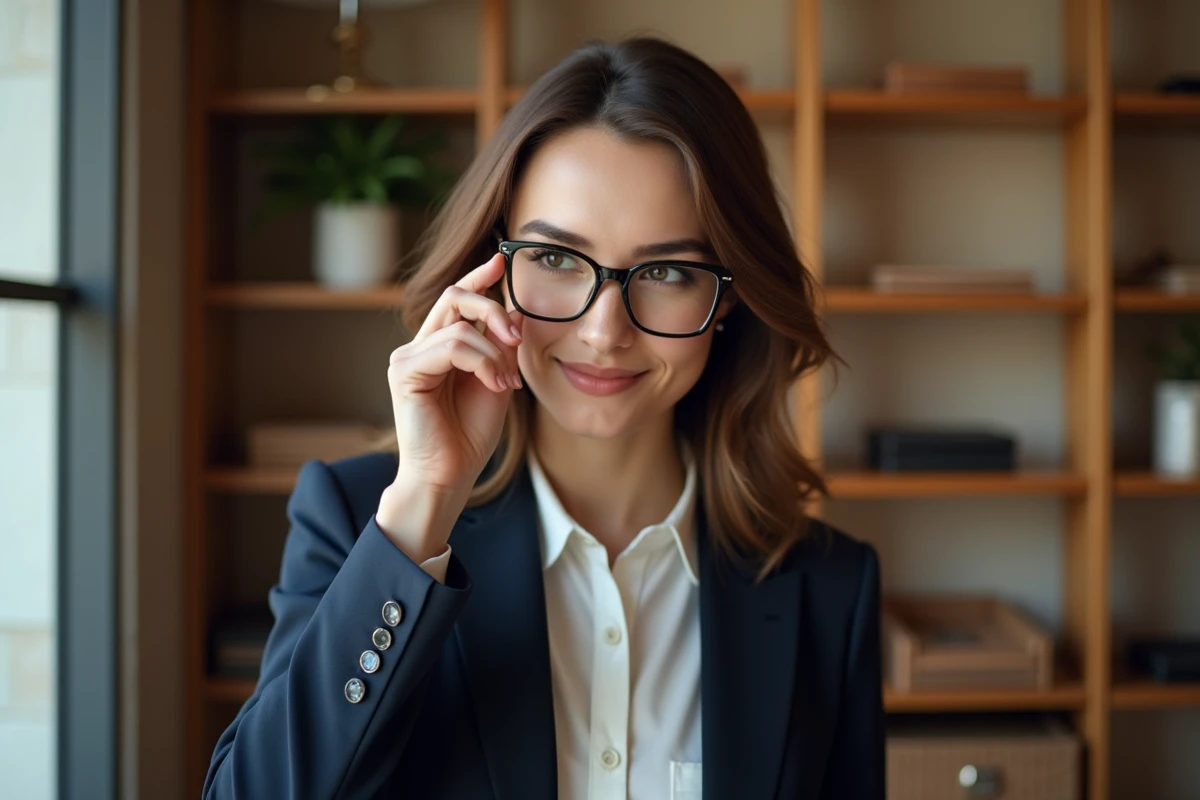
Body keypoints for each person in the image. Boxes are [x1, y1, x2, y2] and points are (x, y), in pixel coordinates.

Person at [204, 36, 883, 800]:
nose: (603, 331)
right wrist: (427, 499)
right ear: (492, 272)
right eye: (557, 259)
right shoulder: (364, 525)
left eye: (665, 272)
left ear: (729, 298)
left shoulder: (830, 587)